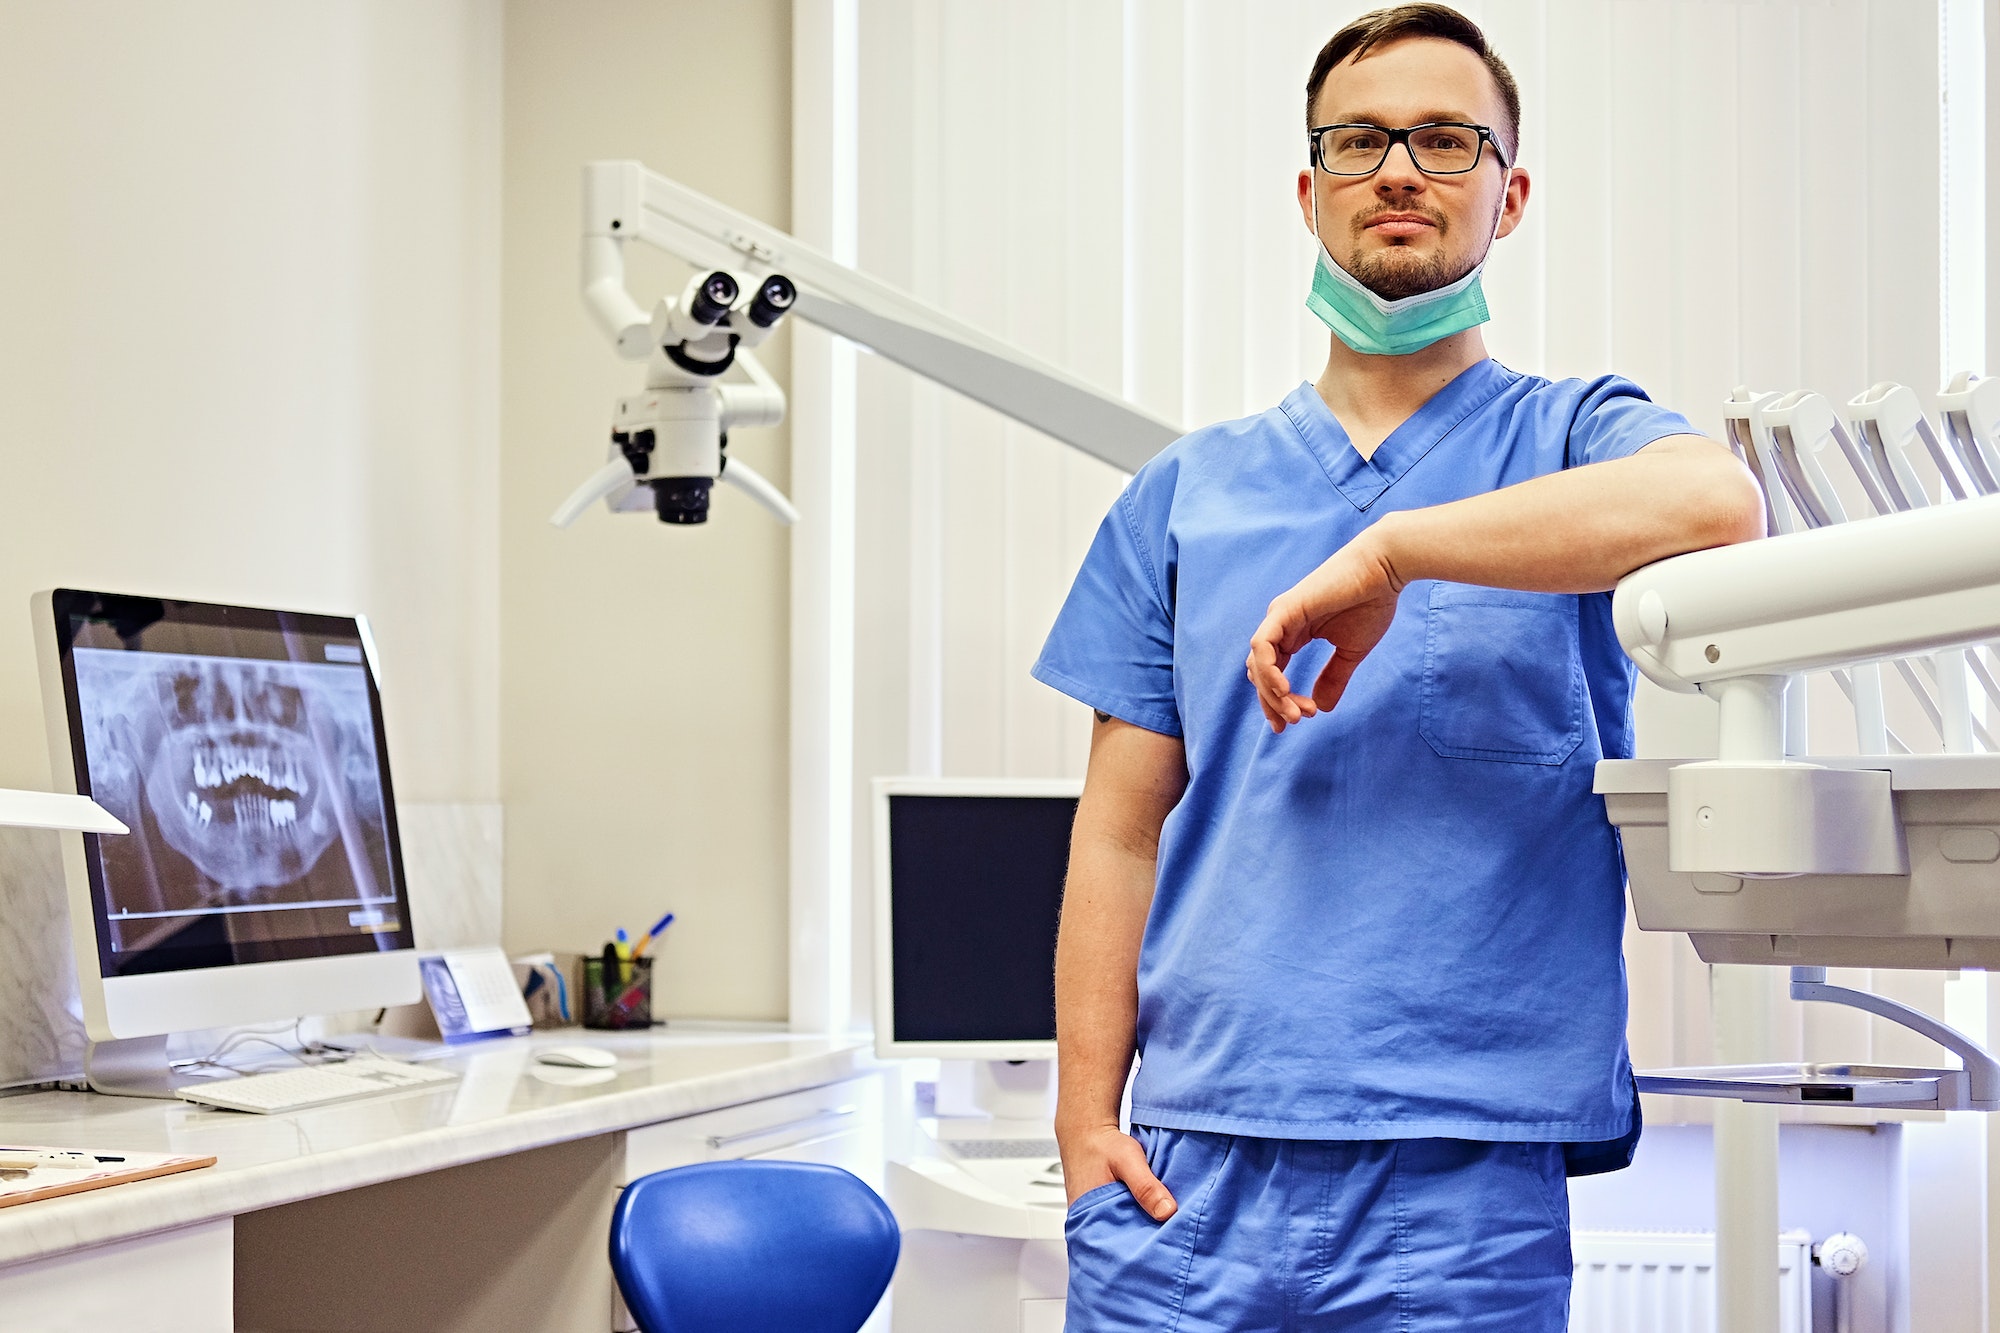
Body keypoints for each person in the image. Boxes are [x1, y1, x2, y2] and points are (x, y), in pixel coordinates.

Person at [1032, 5, 1765, 1329]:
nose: (1400, 171)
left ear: (1510, 192)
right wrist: (1086, 1122)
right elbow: (1119, 834)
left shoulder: (1572, 442)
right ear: (1309, 191)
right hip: (1185, 1176)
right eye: (1361, 141)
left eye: (1445, 139)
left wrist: (1400, 551)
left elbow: (1717, 503)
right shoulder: (1184, 498)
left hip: (1461, 1188)